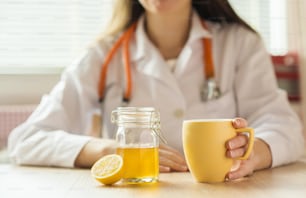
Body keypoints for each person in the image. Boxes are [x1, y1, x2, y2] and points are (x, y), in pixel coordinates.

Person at [8, 0, 304, 181]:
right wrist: (112, 151)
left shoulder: (239, 45)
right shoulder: (102, 56)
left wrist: (255, 154)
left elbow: (285, 127)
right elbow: (26, 139)